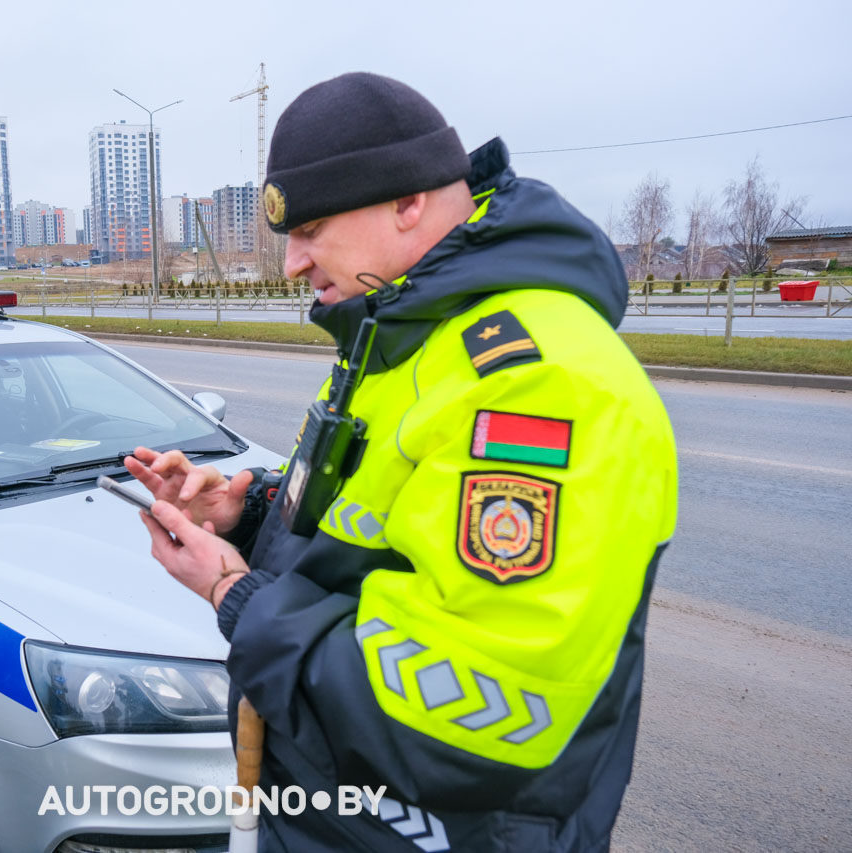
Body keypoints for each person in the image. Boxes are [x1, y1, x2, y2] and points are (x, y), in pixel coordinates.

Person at [125, 71, 677, 852]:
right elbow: (379, 522)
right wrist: (248, 512)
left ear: (407, 202)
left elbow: (459, 722)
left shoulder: (539, 385)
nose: (291, 263)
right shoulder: (407, 328)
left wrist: (234, 592)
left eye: (310, 228)